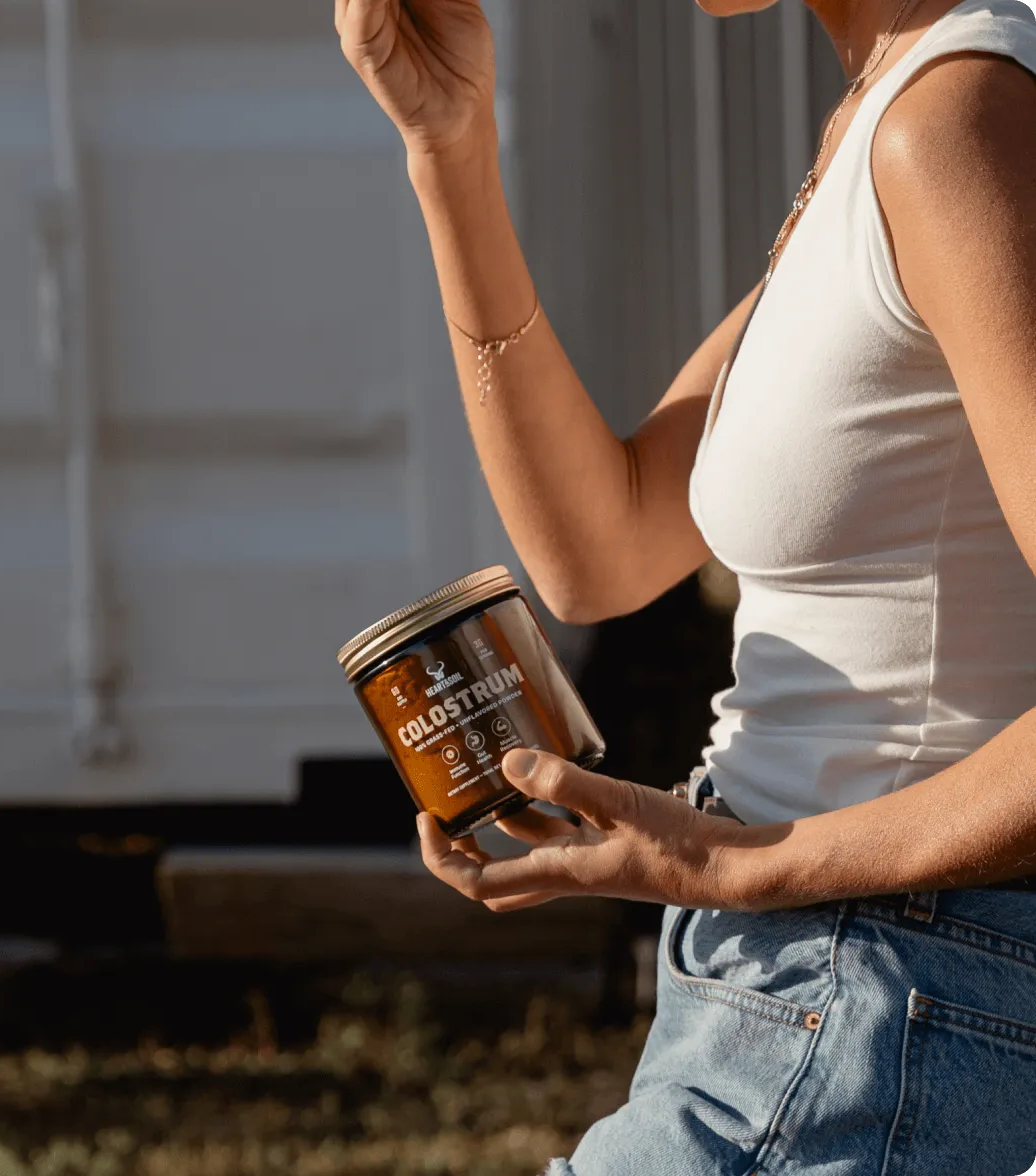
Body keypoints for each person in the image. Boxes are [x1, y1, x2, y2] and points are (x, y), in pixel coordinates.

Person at [336, 0, 1036, 1171]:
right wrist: (448, 147)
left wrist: (741, 862)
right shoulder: (881, 124)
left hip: (879, 997)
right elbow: (598, 549)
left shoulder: (954, 122)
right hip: (811, 992)